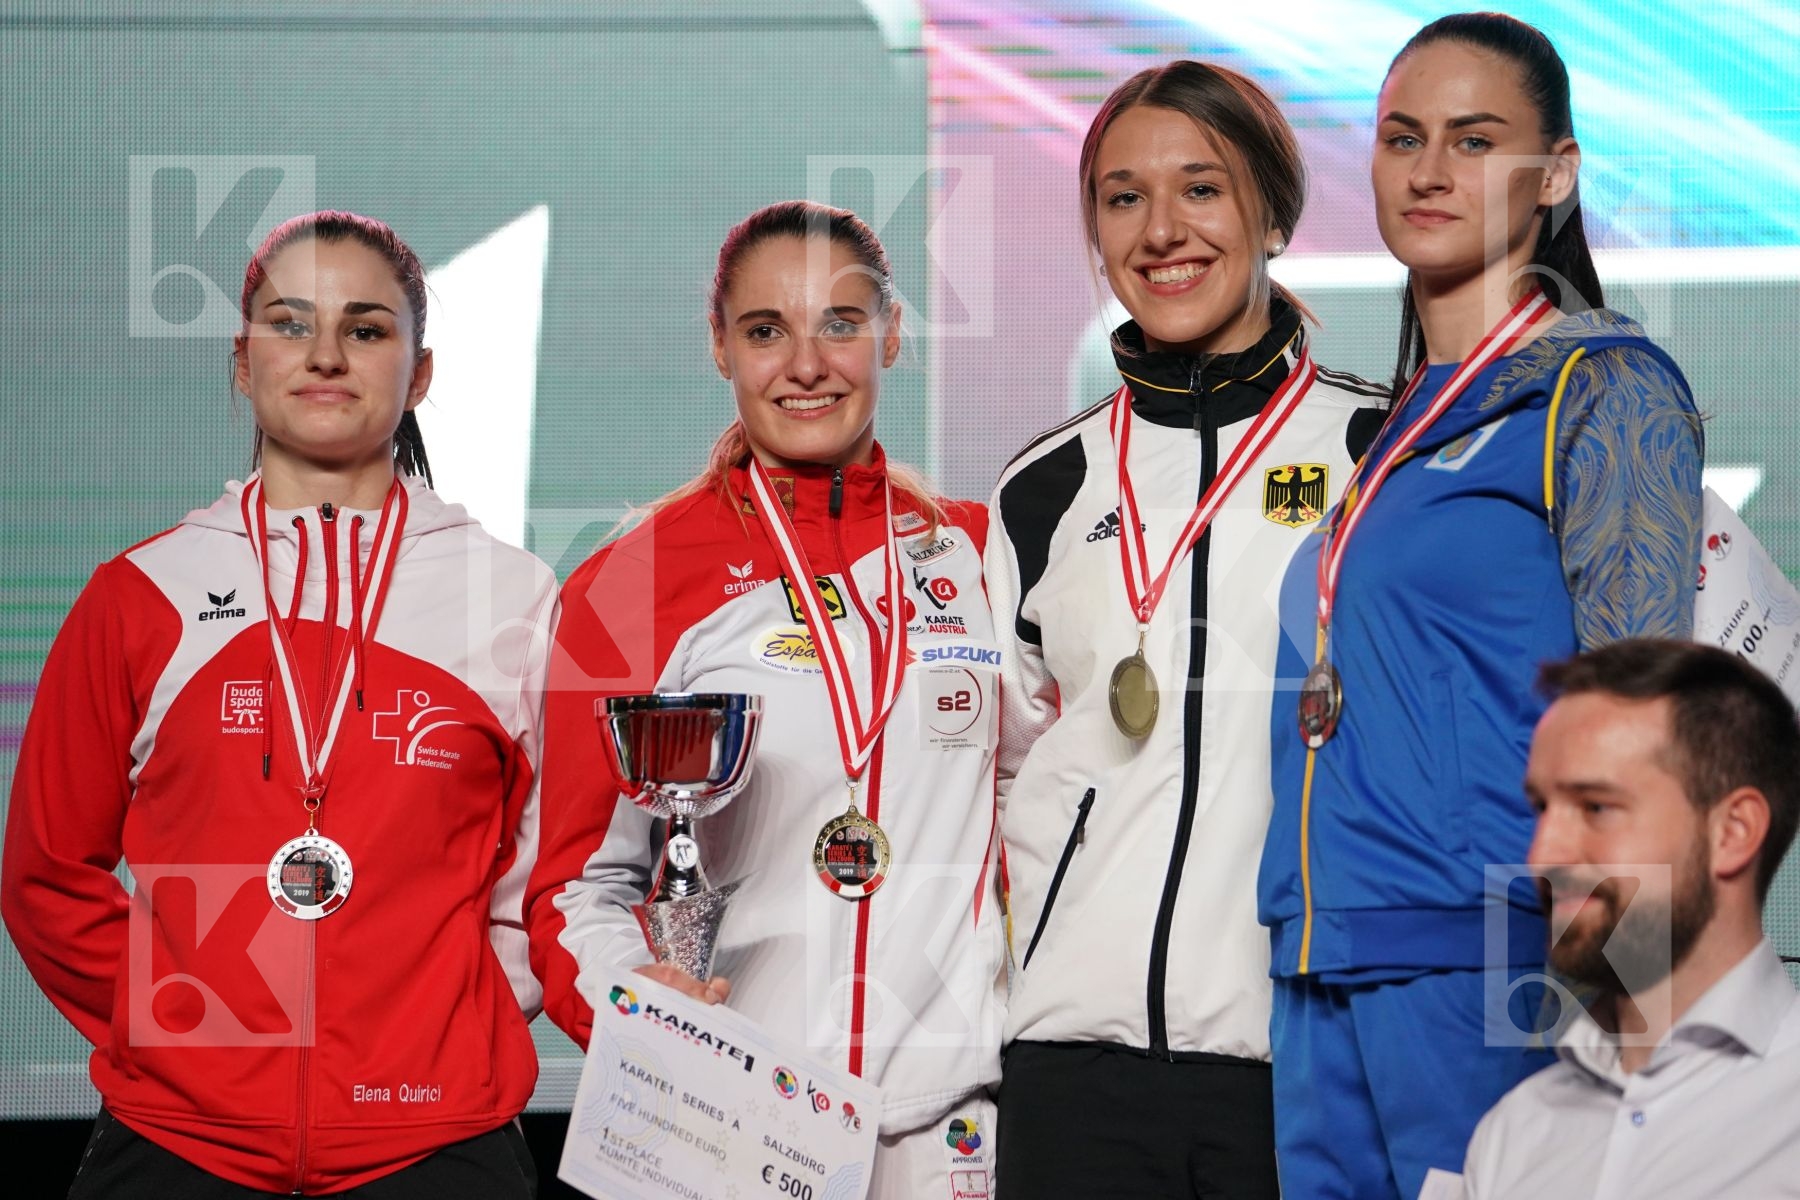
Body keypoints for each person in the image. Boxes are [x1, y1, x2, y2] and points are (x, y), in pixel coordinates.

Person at [1, 212, 555, 1196]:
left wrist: (459, 1022)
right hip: (180, 1141)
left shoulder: (515, 597)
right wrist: (180, 1031)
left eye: (367, 328)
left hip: (434, 1139)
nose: (326, 355)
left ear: (420, 374)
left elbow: (555, 870)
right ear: (242, 364)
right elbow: (47, 874)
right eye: (290, 324)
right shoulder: (142, 594)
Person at [1256, 14, 1706, 1199]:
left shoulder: (1603, 386)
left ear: (1555, 174)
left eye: (1474, 140)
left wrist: (1636, 996)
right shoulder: (1400, 424)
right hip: (1323, 953)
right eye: (1403, 138)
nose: (1429, 170)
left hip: (1492, 955)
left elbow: (1645, 717)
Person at [527, 201, 1004, 1200]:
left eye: (840, 324)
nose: (806, 365)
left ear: (893, 334)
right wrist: (639, 1005)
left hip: (953, 1127)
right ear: (719, 347)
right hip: (734, 1120)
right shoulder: (632, 580)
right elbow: (573, 887)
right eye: (764, 331)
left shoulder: (979, 553)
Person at [985, 61, 1385, 1198]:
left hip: (1304, 1051)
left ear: (1273, 213)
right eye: (1123, 197)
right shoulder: (1041, 488)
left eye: (1201, 188)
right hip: (1072, 1066)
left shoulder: (1381, 451)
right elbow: (1004, 769)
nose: (1161, 230)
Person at [1462, 639, 1800, 1197]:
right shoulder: (1512, 1136)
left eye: (1596, 806)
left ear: (1733, 832)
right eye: (1542, 808)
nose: (1541, 856)